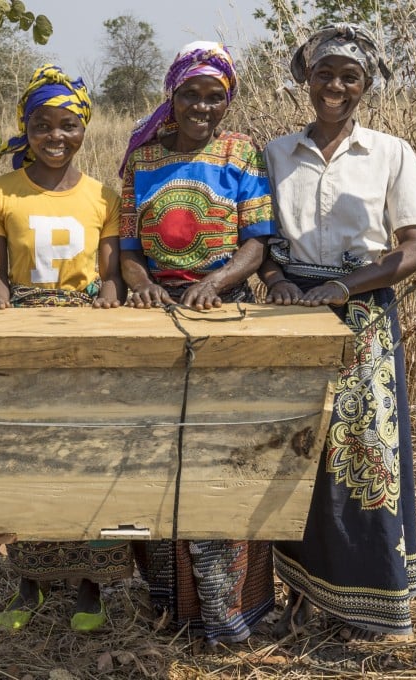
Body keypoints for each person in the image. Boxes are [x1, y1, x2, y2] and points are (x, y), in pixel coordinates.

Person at [259, 24, 416, 642]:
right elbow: (260, 242)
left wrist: (345, 287)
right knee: (298, 456)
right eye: (324, 74)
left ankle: (375, 605)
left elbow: (415, 248)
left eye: (349, 77)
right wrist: (278, 278)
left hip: (363, 320)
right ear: (305, 80)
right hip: (292, 317)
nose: (335, 86)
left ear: (366, 85)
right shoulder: (275, 154)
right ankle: (303, 600)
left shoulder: (391, 152)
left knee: (363, 458)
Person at [118, 41, 278, 645]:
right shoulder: (144, 160)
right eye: (192, 94)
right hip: (158, 320)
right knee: (156, 459)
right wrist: (145, 289)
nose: (203, 106)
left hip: (224, 317)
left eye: (216, 97)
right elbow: (130, 252)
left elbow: (256, 245)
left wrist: (213, 284)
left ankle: (228, 612)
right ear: (172, 96)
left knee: (224, 459)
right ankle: (169, 603)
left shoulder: (242, 155)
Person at [0, 64, 131, 633]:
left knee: (93, 455)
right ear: (27, 127)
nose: (55, 137)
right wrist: (4, 312)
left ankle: (91, 587)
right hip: (24, 329)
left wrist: (106, 310)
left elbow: (111, 278)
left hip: (88, 331)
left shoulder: (103, 197)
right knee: (28, 455)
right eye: (42, 125)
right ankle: (31, 582)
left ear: (84, 128)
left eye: (68, 125)